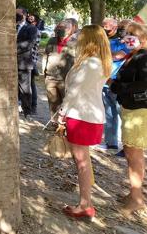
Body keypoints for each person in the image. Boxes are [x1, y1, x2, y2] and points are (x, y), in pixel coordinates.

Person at [58, 25, 111, 220]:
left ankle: (85, 204)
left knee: (81, 162)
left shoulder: (90, 63)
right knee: (83, 161)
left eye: (81, 36)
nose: (78, 38)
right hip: (88, 115)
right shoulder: (98, 62)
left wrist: (61, 113)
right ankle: (85, 202)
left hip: (82, 116)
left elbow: (74, 91)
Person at [110, 22, 147, 216]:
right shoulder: (132, 55)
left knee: (134, 155)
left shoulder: (144, 56)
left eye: (131, 34)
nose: (127, 37)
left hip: (139, 110)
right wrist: (115, 84)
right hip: (130, 107)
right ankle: (134, 194)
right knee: (132, 154)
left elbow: (144, 83)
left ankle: (137, 198)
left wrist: (120, 87)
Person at [101, 18, 130, 152]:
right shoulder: (113, 41)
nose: (120, 31)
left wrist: (107, 55)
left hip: (119, 83)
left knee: (122, 114)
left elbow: (119, 56)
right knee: (109, 113)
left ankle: (128, 146)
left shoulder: (131, 44)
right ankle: (111, 142)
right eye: (120, 28)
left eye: (123, 28)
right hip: (106, 81)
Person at [43, 21, 76, 122]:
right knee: (53, 102)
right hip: (50, 77)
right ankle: (54, 122)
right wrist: (44, 70)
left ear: (71, 29)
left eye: (64, 27)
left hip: (66, 79)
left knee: (66, 103)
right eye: (59, 27)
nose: (60, 29)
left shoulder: (75, 43)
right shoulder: (52, 40)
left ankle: (64, 125)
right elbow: (45, 55)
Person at [16, 11, 38, 118]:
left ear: (24, 15)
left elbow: (30, 43)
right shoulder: (9, 26)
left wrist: (13, 48)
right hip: (9, 63)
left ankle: (27, 111)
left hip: (23, 63)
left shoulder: (31, 28)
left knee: (25, 89)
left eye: (18, 13)